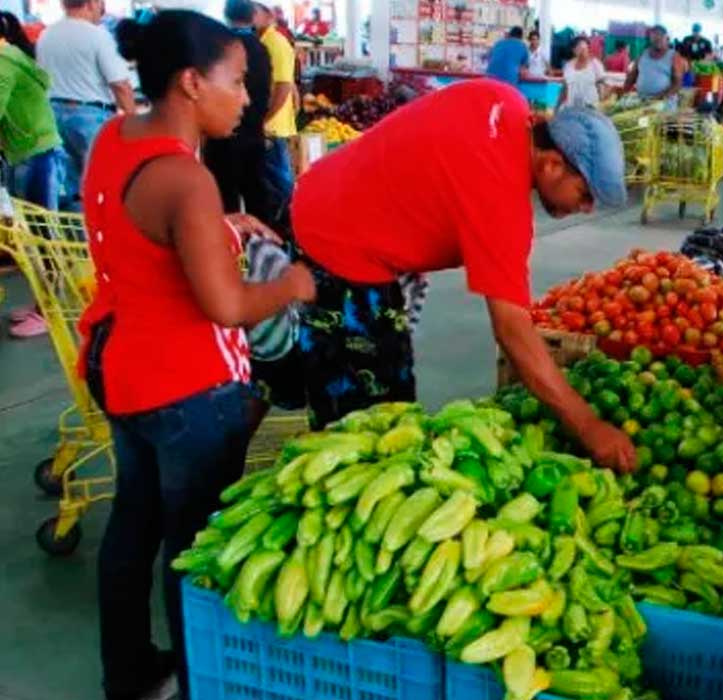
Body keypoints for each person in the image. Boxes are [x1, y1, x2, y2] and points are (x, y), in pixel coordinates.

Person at [87, 11, 315, 700]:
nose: (247, 98)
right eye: (238, 81)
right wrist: (292, 286)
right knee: (192, 546)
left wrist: (215, 228)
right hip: (190, 390)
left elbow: (143, 232)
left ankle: (128, 673)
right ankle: (200, 680)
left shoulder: (113, 136)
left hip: (122, 369)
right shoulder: (188, 182)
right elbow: (228, 308)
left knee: (133, 526)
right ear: (191, 82)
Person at [277, 80, 638, 472]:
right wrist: (587, 426)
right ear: (552, 164)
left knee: (288, 372)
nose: (585, 208)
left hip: (314, 199)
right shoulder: (500, 201)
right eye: (584, 194)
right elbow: (512, 330)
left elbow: (427, 152)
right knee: (372, 433)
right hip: (335, 250)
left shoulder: (503, 100)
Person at [36, 0, 137, 211]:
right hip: (90, 117)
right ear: (91, 3)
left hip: (53, 115)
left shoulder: (47, 35)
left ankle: (79, 236)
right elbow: (120, 84)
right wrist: (133, 120)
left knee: (73, 187)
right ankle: (103, 236)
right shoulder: (97, 35)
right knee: (105, 183)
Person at [0, 11, 63, 338]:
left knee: (41, 235)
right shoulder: (11, 55)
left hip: (33, 154)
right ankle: (44, 301)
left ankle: (49, 311)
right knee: (33, 233)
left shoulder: (3, 62)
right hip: (29, 151)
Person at [203, 0, 274, 227]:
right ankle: (263, 249)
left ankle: (232, 251)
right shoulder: (261, 49)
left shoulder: (219, 48)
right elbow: (269, 90)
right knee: (257, 197)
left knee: (225, 199)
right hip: (254, 133)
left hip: (223, 136)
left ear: (225, 15)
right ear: (253, 16)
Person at [252, 2, 296, 224]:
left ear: (268, 15)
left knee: (280, 182)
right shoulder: (261, 41)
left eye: (254, 10)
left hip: (272, 126)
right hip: (269, 123)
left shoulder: (275, 43)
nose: (250, 15)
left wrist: (264, 119)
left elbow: (284, 86)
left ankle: (290, 227)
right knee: (270, 181)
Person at [622, 25, 683, 103]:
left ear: (666, 38)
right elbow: (632, 75)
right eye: (654, 38)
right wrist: (624, 93)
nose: (657, 41)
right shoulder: (643, 54)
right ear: (650, 39)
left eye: (660, 38)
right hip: (642, 100)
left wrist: (659, 98)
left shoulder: (674, 56)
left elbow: (677, 84)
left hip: (664, 102)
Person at [560, 36, 605, 109]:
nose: (583, 51)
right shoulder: (568, 66)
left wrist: (601, 104)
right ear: (574, 50)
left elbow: (601, 86)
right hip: (572, 108)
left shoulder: (595, 65)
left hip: (592, 108)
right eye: (580, 49)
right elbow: (564, 88)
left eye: (585, 48)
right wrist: (556, 107)